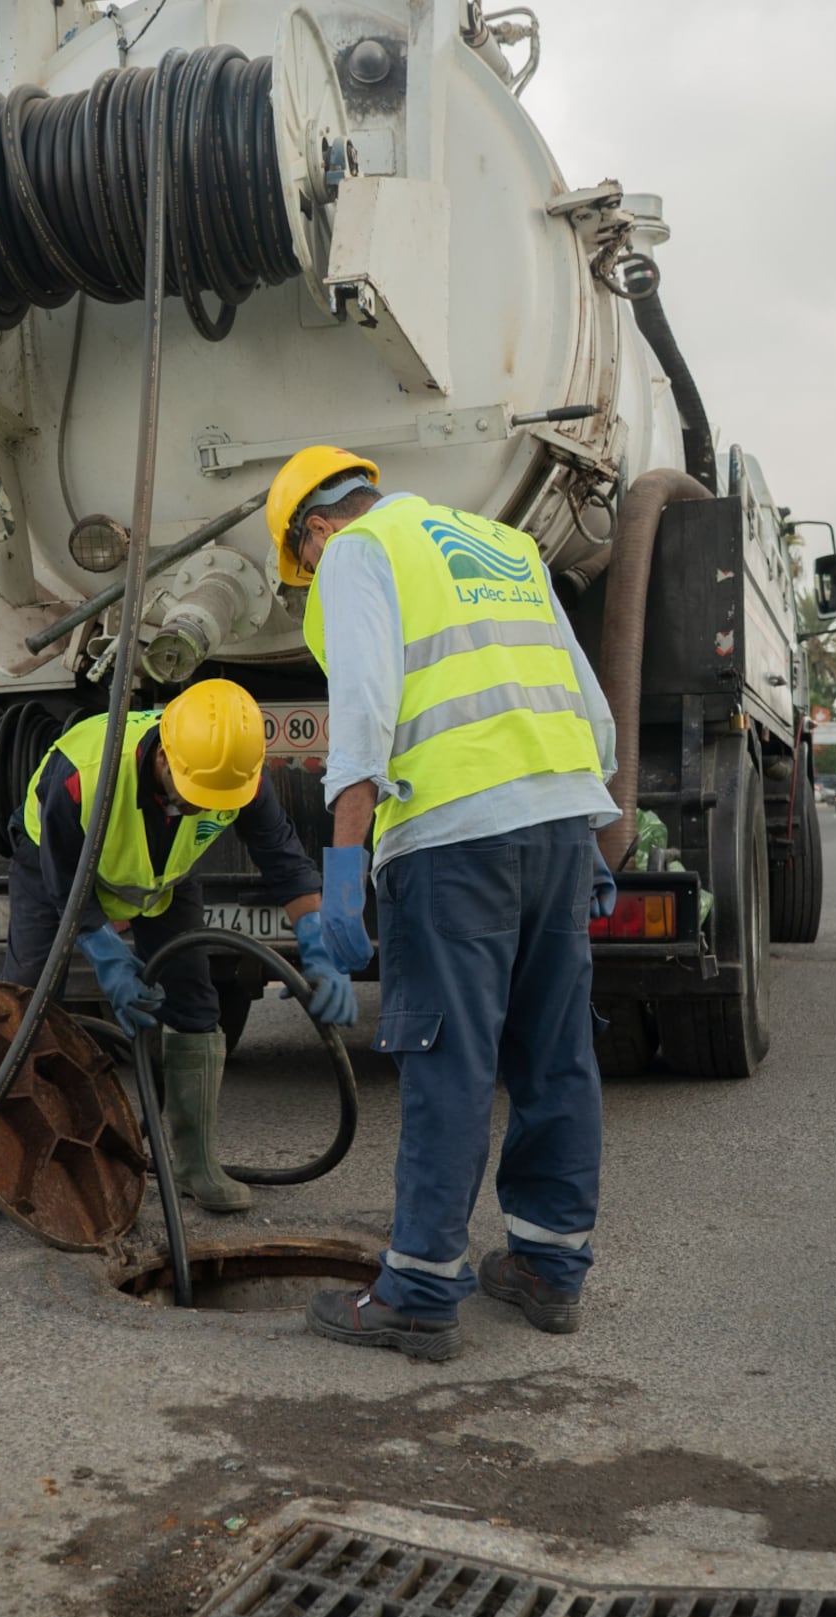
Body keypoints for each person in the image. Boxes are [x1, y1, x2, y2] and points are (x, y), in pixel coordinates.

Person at [265, 446, 620, 1360]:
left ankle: (419, 1293)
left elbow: (364, 717)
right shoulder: (507, 546)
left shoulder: (355, 550)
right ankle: (547, 1268)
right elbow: (593, 708)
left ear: (313, 528)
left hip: (454, 839)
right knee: (555, 1051)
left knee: (445, 1061)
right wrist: (585, 834)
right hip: (557, 820)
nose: (309, 586)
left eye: (298, 573)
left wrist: (342, 875)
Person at [0, 678, 354, 1225]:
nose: (194, 808)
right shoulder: (84, 776)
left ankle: (194, 1163)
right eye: (190, 793)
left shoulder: (234, 777)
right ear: (162, 754)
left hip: (164, 881)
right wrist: (108, 956)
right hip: (52, 872)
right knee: (28, 1003)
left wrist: (318, 944)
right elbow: (68, 887)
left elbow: (283, 859)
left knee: (196, 1003)